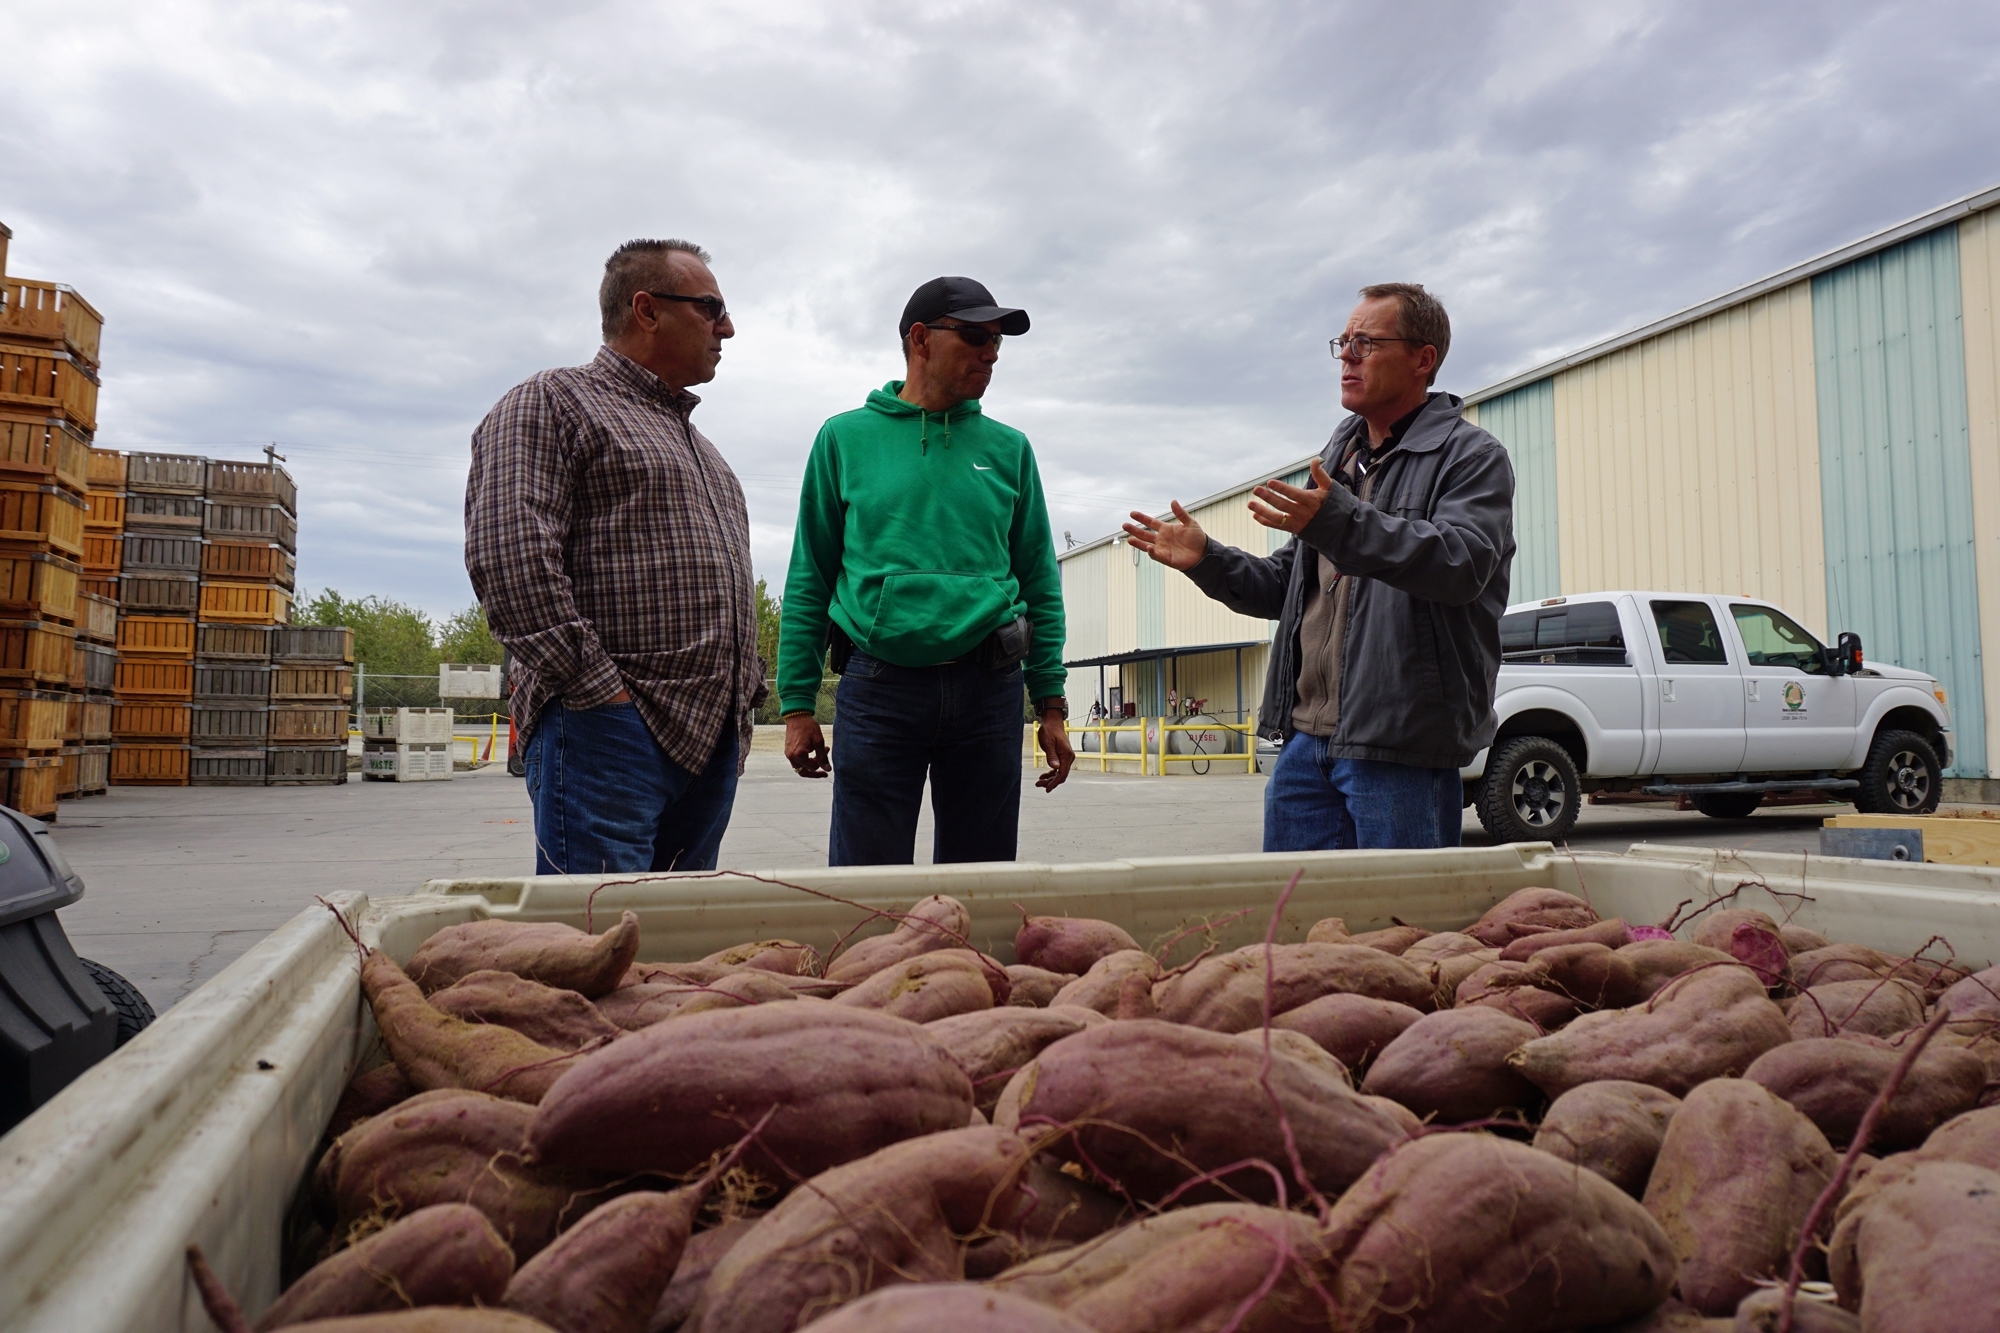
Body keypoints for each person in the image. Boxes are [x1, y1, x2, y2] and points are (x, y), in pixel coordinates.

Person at [1124, 282, 1514, 851]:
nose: (1348, 356)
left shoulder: (1471, 457)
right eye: (1344, 342)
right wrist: (1207, 559)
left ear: (1422, 359)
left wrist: (1341, 521)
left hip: (1400, 743)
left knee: (1401, 926)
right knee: (1298, 928)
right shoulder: (1340, 463)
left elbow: (1461, 563)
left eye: (1367, 342)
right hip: (1307, 742)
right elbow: (1285, 588)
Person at [466, 238, 764, 874]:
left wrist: (744, 698)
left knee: (675, 952)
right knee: (602, 947)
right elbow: (510, 558)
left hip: (709, 744)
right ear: (647, 309)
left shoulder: (706, 453)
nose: (728, 328)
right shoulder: (552, 402)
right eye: (712, 308)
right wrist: (597, 693)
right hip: (606, 733)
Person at [777, 276, 1074, 866]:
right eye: (973, 336)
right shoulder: (843, 439)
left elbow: (1039, 581)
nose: (990, 352)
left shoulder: (1010, 449)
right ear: (920, 338)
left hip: (990, 691)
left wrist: (1051, 704)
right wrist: (796, 705)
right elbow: (809, 575)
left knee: (981, 879)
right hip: (879, 689)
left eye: (997, 340)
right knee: (867, 882)